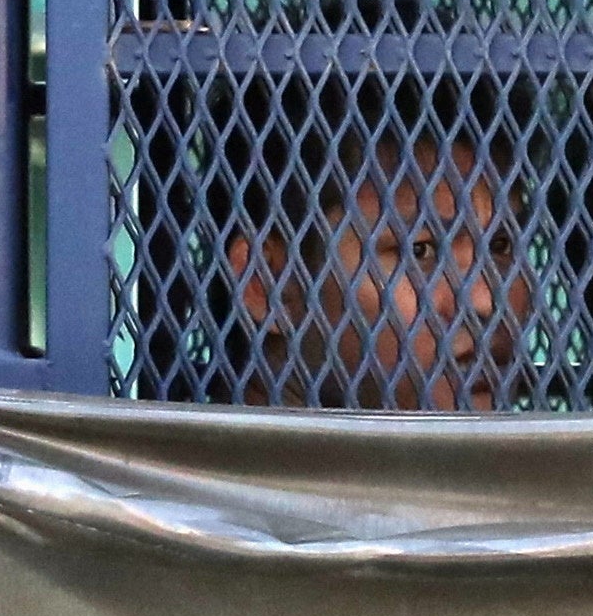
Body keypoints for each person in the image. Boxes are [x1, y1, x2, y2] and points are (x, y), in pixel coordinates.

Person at [221, 136, 534, 411]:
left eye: (500, 245)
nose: (488, 303)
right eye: (420, 251)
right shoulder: (197, 477)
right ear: (266, 283)